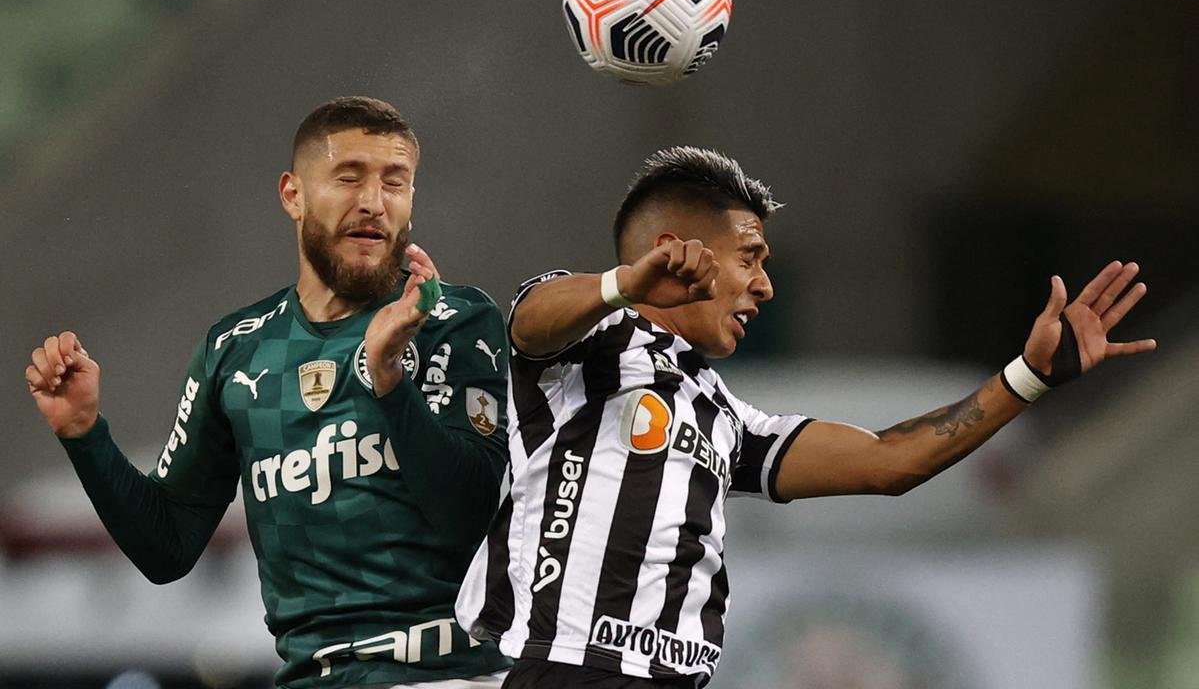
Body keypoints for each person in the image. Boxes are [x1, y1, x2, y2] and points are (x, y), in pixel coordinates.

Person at [455, 146, 1157, 688]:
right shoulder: (587, 344)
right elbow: (529, 323)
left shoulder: (724, 418)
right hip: (561, 666)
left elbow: (889, 462)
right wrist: (623, 284)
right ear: (676, 248)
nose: (763, 285)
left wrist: (1027, 377)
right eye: (749, 257)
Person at [25, 97, 512, 688]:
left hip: (446, 672)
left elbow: (467, 514)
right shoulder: (235, 349)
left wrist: (388, 380)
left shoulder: (453, 319)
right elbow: (167, 546)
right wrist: (85, 435)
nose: (373, 203)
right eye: (349, 177)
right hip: (310, 677)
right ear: (293, 195)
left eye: (395, 182)